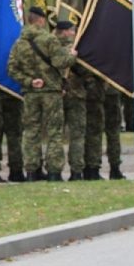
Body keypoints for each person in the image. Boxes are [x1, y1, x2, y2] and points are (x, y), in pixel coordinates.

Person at [8, 7, 77, 181]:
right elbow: (60, 62)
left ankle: (32, 171)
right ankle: (54, 171)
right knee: (54, 132)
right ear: (40, 20)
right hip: (51, 93)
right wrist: (72, 56)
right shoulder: (49, 39)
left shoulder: (19, 43)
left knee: (31, 131)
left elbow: (11, 69)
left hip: (31, 93)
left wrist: (29, 81)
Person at [56, 21, 86, 181]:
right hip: (76, 95)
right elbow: (85, 70)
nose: (74, 33)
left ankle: (55, 170)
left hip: (56, 95)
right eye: (72, 30)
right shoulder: (76, 48)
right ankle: (76, 171)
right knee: (77, 135)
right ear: (66, 32)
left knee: (56, 135)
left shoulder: (49, 45)